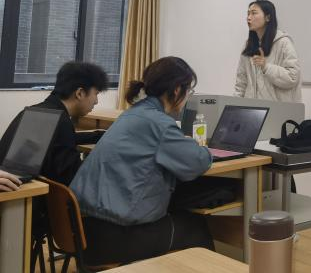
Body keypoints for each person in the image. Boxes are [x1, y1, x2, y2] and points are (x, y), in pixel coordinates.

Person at [70, 57, 213, 265]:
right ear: (176, 90)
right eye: (188, 90)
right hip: (114, 239)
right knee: (196, 225)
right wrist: (205, 149)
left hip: (84, 233)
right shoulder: (160, 124)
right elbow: (198, 162)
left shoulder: (131, 115)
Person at [0, 61, 109, 186]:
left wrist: (100, 135)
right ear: (80, 93)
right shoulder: (61, 121)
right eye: (96, 94)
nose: (96, 101)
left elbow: (59, 139)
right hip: (29, 193)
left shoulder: (35, 111)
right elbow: (72, 176)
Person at [234, 0, 302, 102]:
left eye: (254, 13)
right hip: (251, 109)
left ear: (268, 17)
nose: (249, 18)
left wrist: (266, 67)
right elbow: (241, 83)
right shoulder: (248, 45)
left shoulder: (283, 42)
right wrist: (234, 105)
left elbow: (292, 77)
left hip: (278, 109)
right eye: (248, 14)